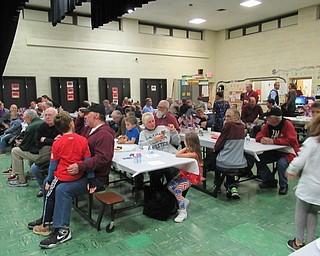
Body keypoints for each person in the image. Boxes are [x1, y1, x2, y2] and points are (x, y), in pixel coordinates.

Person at [27, 104, 115, 249]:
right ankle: (47, 219)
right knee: (49, 185)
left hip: (95, 177)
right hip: (83, 172)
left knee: (63, 189)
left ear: (97, 116)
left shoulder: (104, 134)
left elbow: (104, 159)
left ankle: (63, 230)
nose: (85, 116)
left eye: (88, 114)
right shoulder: (90, 129)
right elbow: (76, 131)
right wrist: (79, 118)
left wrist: (81, 166)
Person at [32, 111, 94, 244]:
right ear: (71, 123)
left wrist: (49, 179)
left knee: (48, 192)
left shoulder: (57, 143)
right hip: (79, 176)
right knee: (52, 190)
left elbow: (53, 166)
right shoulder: (83, 140)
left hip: (62, 177)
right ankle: (48, 221)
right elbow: (88, 161)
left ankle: (47, 223)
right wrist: (90, 178)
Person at [285, 114, 320, 251]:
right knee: (313, 214)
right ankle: (310, 244)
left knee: (301, 213)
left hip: (308, 187)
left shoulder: (312, 142)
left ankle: (298, 242)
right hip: (319, 192)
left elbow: (300, 160)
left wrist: (291, 170)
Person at [255, 107, 299, 195]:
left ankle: (283, 185)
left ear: (275, 118)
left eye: (268, 117)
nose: (266, 119)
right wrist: (261, 139)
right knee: (258, 159)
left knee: (281, 163)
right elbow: (259, 135)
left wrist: (274, 141)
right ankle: (269, 180)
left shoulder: (287, 124)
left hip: (288, 152)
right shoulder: (268, 125)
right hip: (274, 151)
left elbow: (292, 141)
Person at [139, 112, 180, 189]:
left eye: (153, 121)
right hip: (157, 159)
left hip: (170, 155)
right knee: (155, 173)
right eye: (149, 122)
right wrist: (154, 140)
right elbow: (141, 146)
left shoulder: (163, 129)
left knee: (172, 172)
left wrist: (173, 131)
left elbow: (176, 142)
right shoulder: (143, 134)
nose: (152, 123)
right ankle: (159, 194)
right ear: (144, 124)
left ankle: (173, 192)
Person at [167, 132, 202, 223]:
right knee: (170, 186)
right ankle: (183, 200)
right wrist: (186, 148)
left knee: (178, 191)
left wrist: (185, 148)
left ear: (189, 142)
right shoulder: (189, 151)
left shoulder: (194, 154)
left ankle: (183, 212)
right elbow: (178, 154)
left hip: (191, 176)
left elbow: (177, 155)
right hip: (185, 173)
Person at [213, 109, 247, 199]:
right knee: (229, 161)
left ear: (236, 118)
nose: (226, 118)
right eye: (226, 116)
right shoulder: (242, 127)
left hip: (225, 164)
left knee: (213, 160)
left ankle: (217, 185)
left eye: (228, 116)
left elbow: (218, 146)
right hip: (240, 164)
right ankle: (232, 187)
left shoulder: (228, 126)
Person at [8, 109, 44, 187]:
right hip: (44, 152)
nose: (24, 121)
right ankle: (32, 173)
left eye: (25, 118)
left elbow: (24, 147)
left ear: (29, 117)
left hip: (39, 155)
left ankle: (21, 180)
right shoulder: (42, 122)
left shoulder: (31, 127)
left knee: (15, 151)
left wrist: (19, 144)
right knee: (30, 150)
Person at [30, 108, 61, 197]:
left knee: (52, 169)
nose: (47, 117)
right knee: (34, 169)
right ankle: (43, 187)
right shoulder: (42, 126)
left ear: (56, 116)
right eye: (46, 115)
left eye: (50, 115)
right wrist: (51, 141)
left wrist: (45, 140)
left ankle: (51, 187)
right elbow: (37, 142)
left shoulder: (60, 127)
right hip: (44, 155)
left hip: (57, 156)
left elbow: (59, 143)